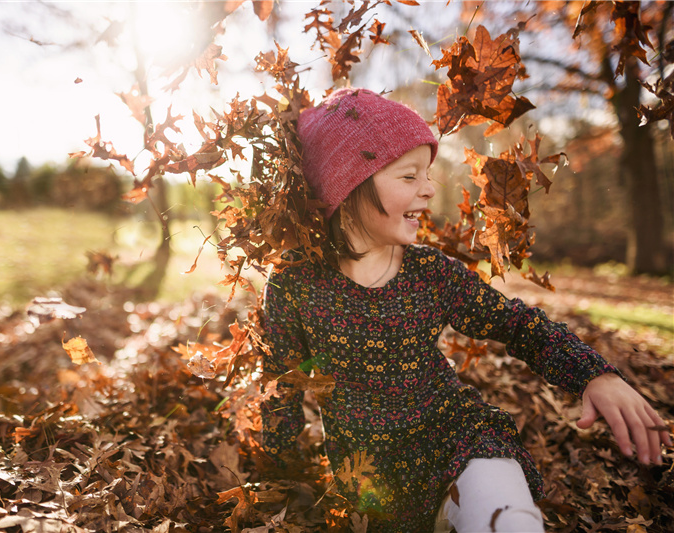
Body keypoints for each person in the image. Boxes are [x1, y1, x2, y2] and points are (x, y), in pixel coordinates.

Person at [259, 88, 671, 533]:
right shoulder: (295, 285)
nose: (430, 189)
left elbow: (518, 325)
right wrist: (275, 486)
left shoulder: (432, 274)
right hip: (369, 490)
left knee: (507, 521)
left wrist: (594, 374)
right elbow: (280, 389)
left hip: (458, 443)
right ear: (348, 185)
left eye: (428, 174)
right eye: (409, 176)